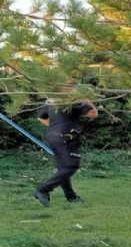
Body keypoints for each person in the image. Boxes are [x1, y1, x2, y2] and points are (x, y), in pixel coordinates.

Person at [32, 79, 98, 207]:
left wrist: (55, 128)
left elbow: (41, 117)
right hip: (65, 137)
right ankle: (42, 190)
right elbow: (93, 113)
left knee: (63, 168)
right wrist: (86, 99)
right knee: (70, 166)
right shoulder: (73, 100)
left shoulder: (52, 100)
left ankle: (70, 196)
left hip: (53, 136)